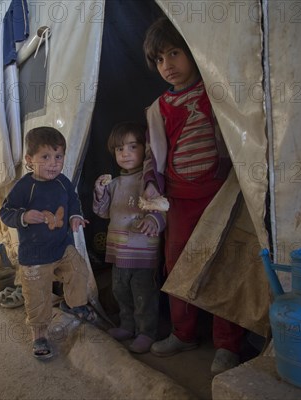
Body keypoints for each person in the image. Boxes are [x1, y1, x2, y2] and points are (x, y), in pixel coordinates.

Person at [142, 17, 245, 374]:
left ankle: (228, 344)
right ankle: (184, 333)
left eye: (174, 53)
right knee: (178, 267)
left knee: (223, 266)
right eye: (159, 59)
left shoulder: (215, 92)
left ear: (193, 51)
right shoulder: (158, 109)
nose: (167, 65)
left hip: (220, 196)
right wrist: (151, 187)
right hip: (179, 201)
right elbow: (152, 156)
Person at [0, 126, 96, 360]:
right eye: (46, 157)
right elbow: (5, 212)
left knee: (79, 270)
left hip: (62, 247)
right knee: (38, 298)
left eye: (58, 157)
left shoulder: (63, 182)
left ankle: (74, 305)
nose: (53, 163)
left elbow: (73, 201)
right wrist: (23, 216)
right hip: (34, 256)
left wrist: (74, 217)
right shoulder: (24, 187)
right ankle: (39, 336)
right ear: (30, 160)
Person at [92, 121, 165, 354]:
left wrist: (154, 220)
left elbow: (164, 208)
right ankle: (127, 326)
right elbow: (103, 212)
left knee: (144, 295)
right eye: (120, 149)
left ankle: (146, 332)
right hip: (119, 251)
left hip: (143, 252)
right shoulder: (114, 183)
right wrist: (100, 192)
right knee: (121, 292)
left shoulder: (150, 180)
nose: (125, 154)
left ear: (145, 149)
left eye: (133, 147)